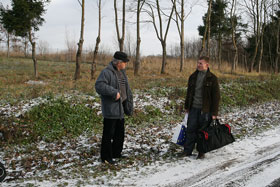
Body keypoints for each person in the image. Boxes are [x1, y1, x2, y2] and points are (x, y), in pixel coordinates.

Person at [95, 51, 133, 165]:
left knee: (119, 134)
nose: (126, 64)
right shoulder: (106, 72)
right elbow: (99, 86)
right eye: (125, 62)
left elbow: (126, 88)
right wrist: (114, 92)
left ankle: (116, 153)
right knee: (108, 134)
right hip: (111, 109)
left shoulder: (122, 72)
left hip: (120, 108)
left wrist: (128, 103)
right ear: (119, 62)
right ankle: (106, 157)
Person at [183, 56, 220, 159]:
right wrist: (187, 106)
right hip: (193, 108)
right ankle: (187, 151)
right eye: (198, 63)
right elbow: (189, 93)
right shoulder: (192, 77)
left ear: (207, 65)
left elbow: (216, 97)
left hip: (205, 110)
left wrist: (214, 113)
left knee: (202, 132)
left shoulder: (212, 78)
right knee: (190, 130)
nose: (198, 65)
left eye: (200, 63)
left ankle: (201, 152)